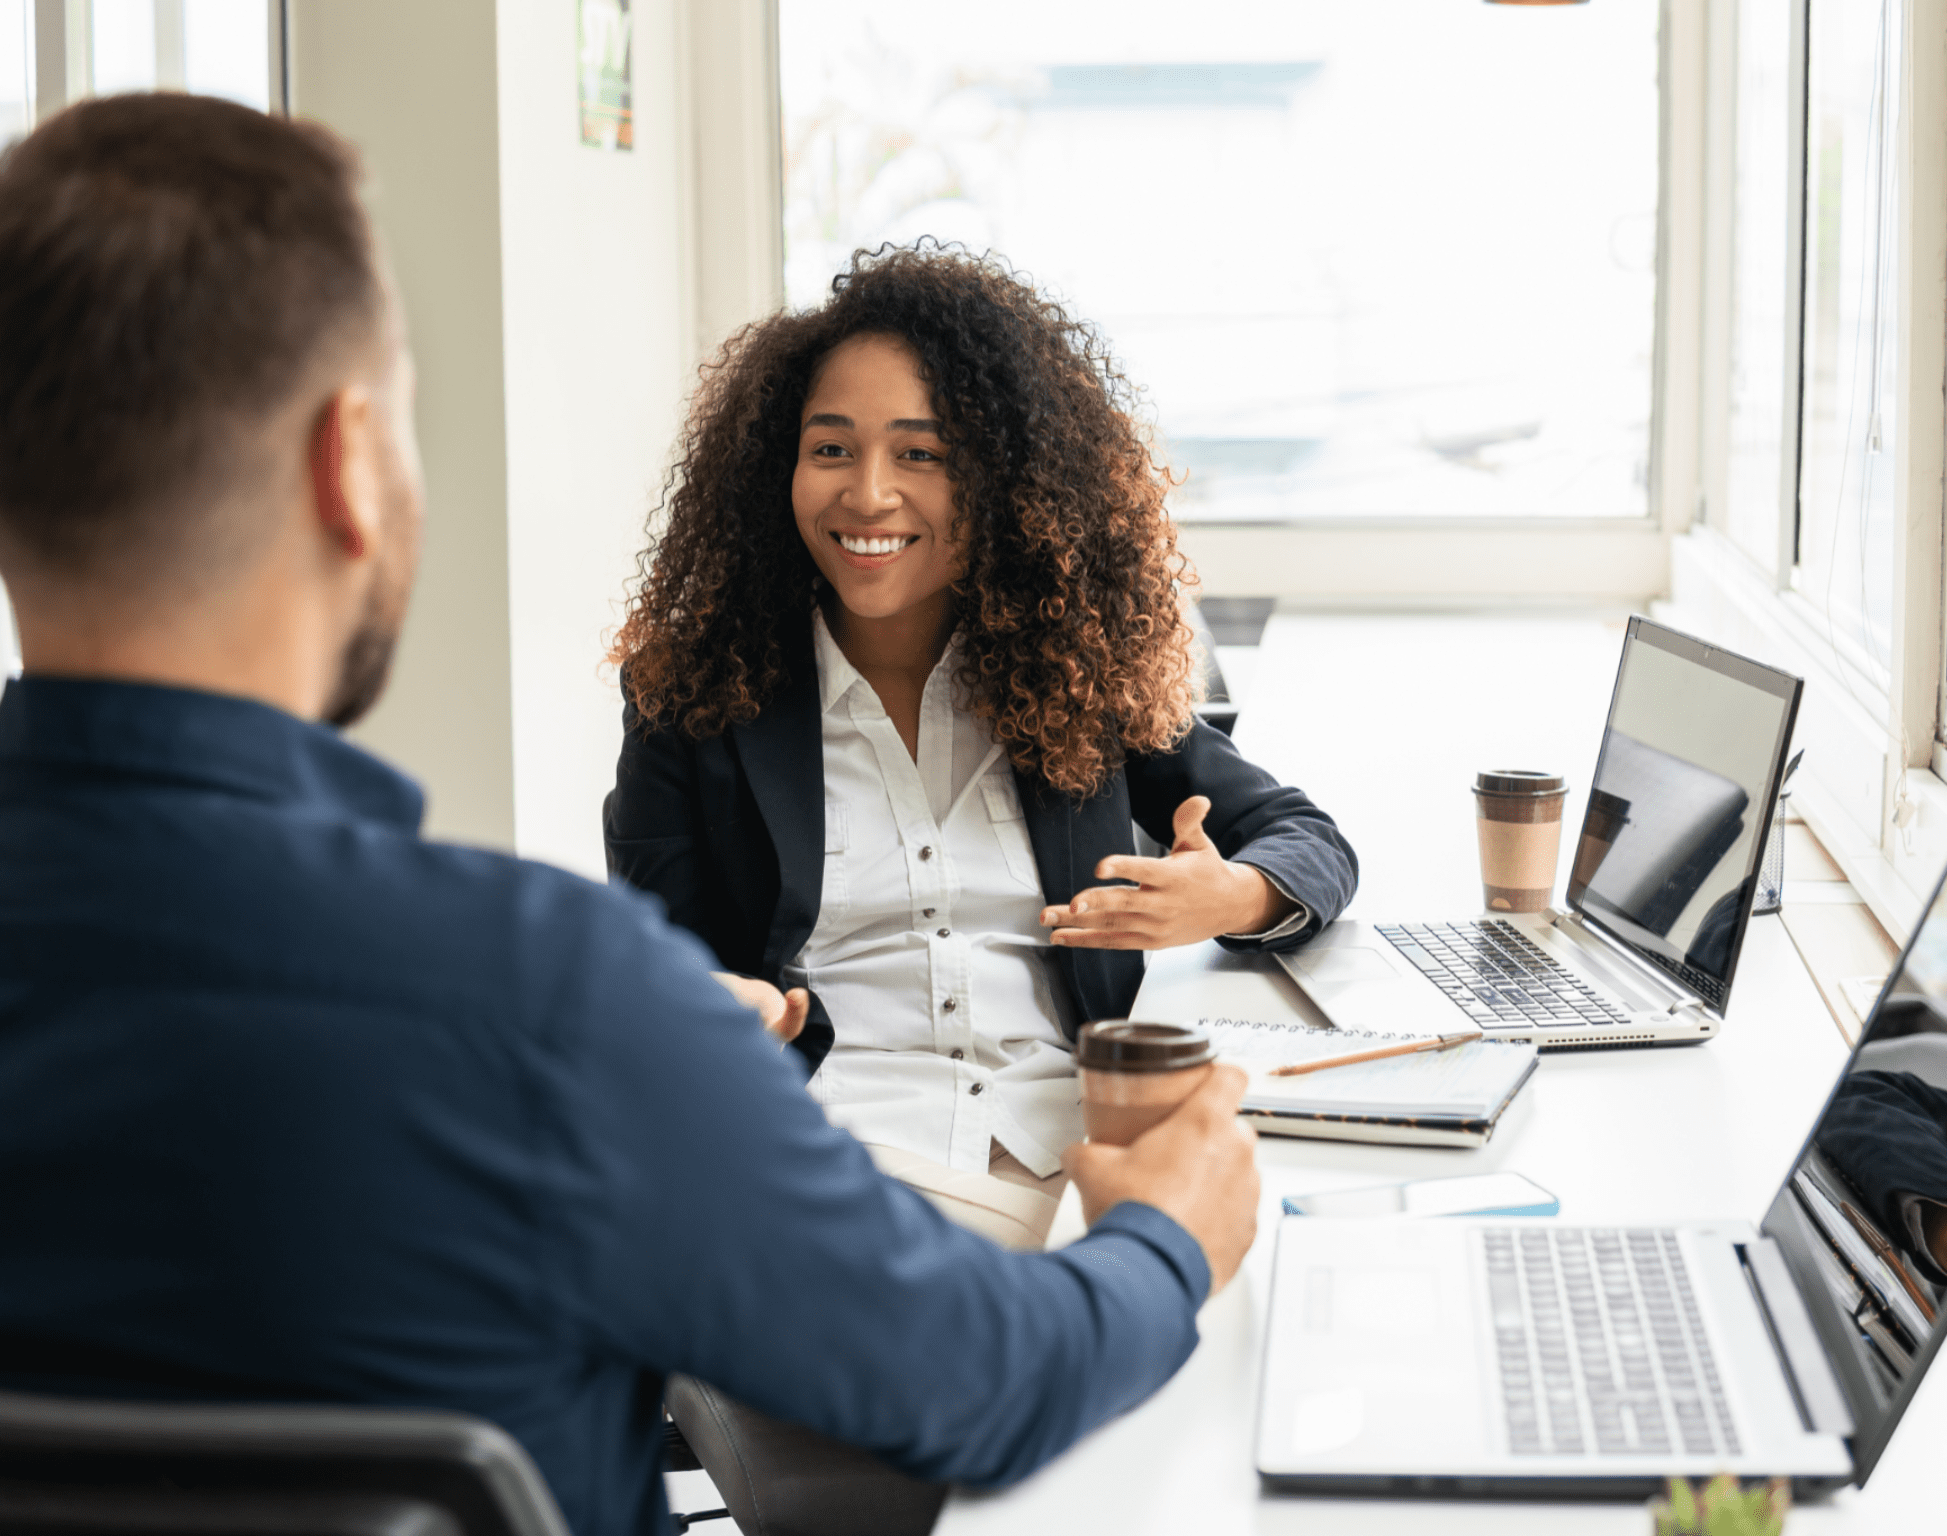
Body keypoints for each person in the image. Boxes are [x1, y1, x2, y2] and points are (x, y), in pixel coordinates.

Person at [0, 95, 1260, 1536]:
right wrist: (1170, 1231)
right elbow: (974, 1381)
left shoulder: (567, 1004)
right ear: (349, 464)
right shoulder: (546, 1004)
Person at [604, 246, 1357, 1251]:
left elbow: (1303, 836)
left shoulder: (1077, 673)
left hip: (1070, 1164)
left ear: (1005, 481)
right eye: (830, 449)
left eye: (921, 454)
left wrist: (1233, 898)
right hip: (829, 1180)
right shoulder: (695, 696)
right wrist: (695, 1007)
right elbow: (656, 967)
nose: (867, 495)